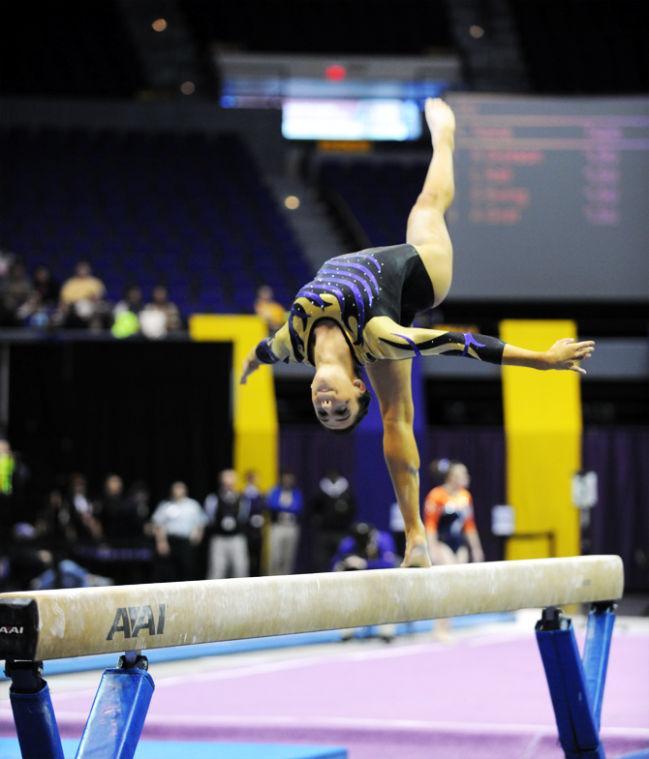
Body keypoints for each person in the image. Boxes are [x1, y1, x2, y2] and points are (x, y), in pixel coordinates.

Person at [241, 98, 595, 569]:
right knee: (428, 206)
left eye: (323, 409)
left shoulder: (292, 341)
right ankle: (416, 538)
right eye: (340, 408)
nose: (327, 402)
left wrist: (248, 366)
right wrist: (541, 360)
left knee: (394, 417)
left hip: (377, 278)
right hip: (419, 276)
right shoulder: (381, 335)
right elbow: (461, 344)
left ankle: (416, 539)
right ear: (356, 385)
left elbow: (263, 350)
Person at [424, 461, 484, 565]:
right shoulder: (436, 496)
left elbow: (469, 526)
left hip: (460, 543)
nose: (467, 477)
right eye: (463, 474)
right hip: (442, 543)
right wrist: (432, 549)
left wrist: (476, 548)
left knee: (461, 575)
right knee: (450, 569)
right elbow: (430, 526)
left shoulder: (465, 496)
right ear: (452, 477)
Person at [150, 481, 207, 582]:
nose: (178, 491)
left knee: (187, 569)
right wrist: (161, 542)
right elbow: (158, 525)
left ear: (185, 490)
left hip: (186, 542)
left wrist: (198, 535)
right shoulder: (165, 505)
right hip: (170, 541)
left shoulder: (192, 505)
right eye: (176, 489)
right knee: (169, 571)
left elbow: (201, 522)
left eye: (180, 489)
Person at [204, 469, 249, 579]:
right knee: (217, 570)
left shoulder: (242, 499)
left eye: (231, 481)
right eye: (226, 481)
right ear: (221, 482)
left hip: (237, 538)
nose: (228, 485)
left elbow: (243, 517)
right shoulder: (212, 499)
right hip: (219, 539)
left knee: (240, 569)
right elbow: (209, 519)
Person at [311, 468, 357, 573]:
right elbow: (314, 509)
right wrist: (319, 522)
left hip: (341, 532)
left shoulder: (346, 492)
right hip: (324, 532)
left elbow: (352, 509)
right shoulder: (321, 491)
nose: (333, 478)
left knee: (342, 557)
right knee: (321, 559)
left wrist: (345, 522)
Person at [266, 471, 303, 575]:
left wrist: (284, 508)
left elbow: (298, 507)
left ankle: (286, 579)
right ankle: (272, 578)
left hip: (291, 527)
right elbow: (271, 504)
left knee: (288, 557)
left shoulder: (296, 492)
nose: (287, 481)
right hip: (277, 526)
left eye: (290, 478)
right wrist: (286, 508)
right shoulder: (275, 491)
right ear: (281, 479)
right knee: (275, 556)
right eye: (285, 478)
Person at [241, 470, 266, 576]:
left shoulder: (260, 494)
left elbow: (264, 508)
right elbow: (242, 512)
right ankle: (248, 575)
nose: (253, 480)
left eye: (254, 478)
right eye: (250, 478)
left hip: (258, 529)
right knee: (247, 555)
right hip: (247, 529)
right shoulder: (242, 494)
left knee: (258, 554)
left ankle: (258, 575)